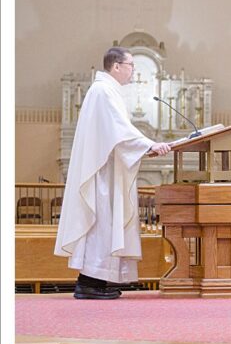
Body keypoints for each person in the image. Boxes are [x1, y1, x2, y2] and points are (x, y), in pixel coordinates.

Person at [54, 47, 171, 299]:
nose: (133, 71)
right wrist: (149, 145)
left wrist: (145, 146)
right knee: (101, 225)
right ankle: (88, 283)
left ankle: (100, 281)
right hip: (101, 173)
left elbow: (119, 130)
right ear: (116, 66)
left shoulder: (106, 91)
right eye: (131, 65)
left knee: (106, 225)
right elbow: (120, 130)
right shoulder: (103, 91)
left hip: (107, 167)